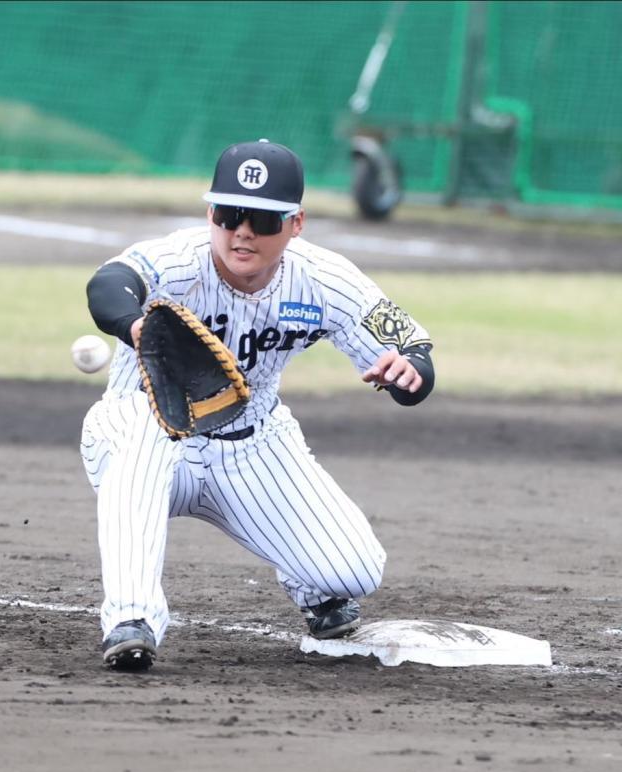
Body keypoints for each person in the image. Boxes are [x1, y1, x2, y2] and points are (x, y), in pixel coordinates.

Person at [81, 139, 434, 670]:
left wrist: (410, 373)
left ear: (296, 224)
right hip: (147, 437)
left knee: (355, 571)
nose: (242, 230)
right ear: (210, 214)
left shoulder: (324, 280)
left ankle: (316, 594)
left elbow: (410, 348)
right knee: (139, 428)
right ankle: (132, 619)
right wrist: (135, 325)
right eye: (229, 213)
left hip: (251, 448)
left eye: (264, 219)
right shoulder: (179, 262)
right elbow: (109, 283)